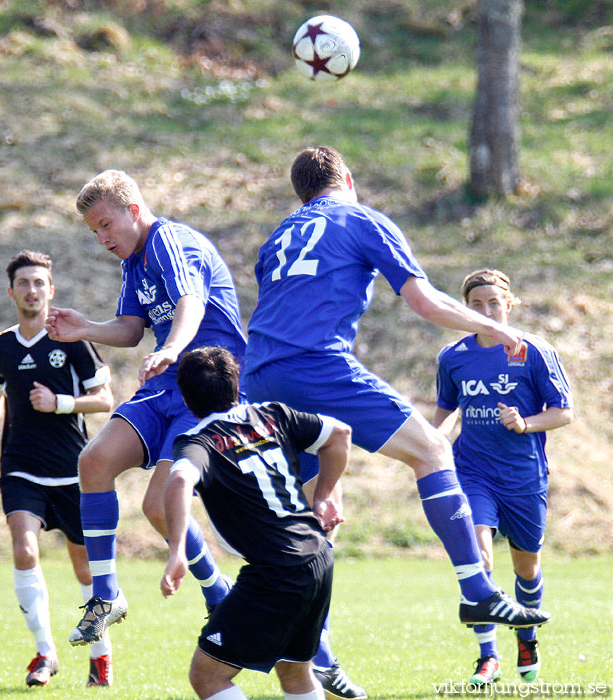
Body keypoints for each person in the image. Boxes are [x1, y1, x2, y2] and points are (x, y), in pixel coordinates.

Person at [244, 145, 552, 647]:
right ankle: (477, 589)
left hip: (258, 376)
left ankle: (312, 648)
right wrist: (496, 329)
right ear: (347, 176)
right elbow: (422, 301)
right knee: (432, 449)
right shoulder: (361, 218)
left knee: (318, 511)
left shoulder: (278, 235)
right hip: (316, 366)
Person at [45, 170, 247, 645]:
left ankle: (220, 596)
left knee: (159, 506)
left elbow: (191, 303)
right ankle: (107, 594)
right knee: (93, 462)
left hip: (205, 386)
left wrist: (173, 348)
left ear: (133, 211)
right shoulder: (134, 263)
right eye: (93, 231)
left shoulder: (169, 241)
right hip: (164, 383)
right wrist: (85, 329)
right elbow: (132, 329)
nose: (101, 238)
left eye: (106, 225)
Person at [161, 346, 351, 700]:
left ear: (186, 398)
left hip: (275, 571)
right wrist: (323, 493)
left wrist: (176, 551)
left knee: (207, 676)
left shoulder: (198, 441)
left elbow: (178, 481)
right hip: (318, 556)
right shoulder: (272, 414)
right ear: (237, 386)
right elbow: (340, 433)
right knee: (295, 672)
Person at [0, 250, 114, 687]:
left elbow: (105, 400)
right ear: (11, 291)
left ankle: (100, 656)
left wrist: (60, 404)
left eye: (39, 283)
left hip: (73, 470)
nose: (31, 290)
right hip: (20, 467)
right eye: (23, 283)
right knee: (24, 548)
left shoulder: (72, 340)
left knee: (86, 569)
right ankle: (45, 653)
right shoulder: (0, 345)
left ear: (50, 290)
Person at [434, 269, 573, 685]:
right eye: (477, 305)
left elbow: (564, 412)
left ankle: (526, 639)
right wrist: (430, 450)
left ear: (509, 305)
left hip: (524, 478)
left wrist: (525, 423)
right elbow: (445, 414)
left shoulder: (534, 351)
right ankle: (487, 657)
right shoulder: (453, 356)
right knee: (478, 557)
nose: (487, 311)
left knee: (526, 568)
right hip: (472, 472)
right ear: (466, 310)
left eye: (494, 303)